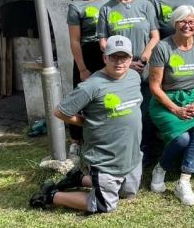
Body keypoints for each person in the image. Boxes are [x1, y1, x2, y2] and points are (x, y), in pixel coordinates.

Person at [29, 35, 143, 213]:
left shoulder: (134, 77)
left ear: (131, 58)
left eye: (124, 57)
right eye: (114, 57)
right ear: (105, 57)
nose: (119, 62)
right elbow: (60, 111)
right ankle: (51, 194)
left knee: (127, 192)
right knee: (105, 205)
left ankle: (79, 179)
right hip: (106, 157)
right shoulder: (92, 86)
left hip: (131, 154)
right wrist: (86, 122)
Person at [98, 0, 160, 162]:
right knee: (124, 111)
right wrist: (125, 62)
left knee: (146, 111)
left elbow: (155, 35)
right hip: (120, 70)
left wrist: (144, 57)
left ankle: (147, 150)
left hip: (145, 67)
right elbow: (103, 40)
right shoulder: (106, 9)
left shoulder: (145, 5)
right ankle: (125, 151)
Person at [148, 5, 194, 206]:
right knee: (181, 139)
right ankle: (161, 167)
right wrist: (175, 109)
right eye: (182, 21)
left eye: (191, 22)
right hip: (166, 100)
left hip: (193, 97)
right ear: (175, 23)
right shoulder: (163, 48)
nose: (187, 25)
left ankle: (184, 181)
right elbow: (154, 86)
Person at [66, 0, 113, 157]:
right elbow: (75, 41)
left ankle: (105, 136)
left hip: (109, 53)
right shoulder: (76, 6)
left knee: (106, 96)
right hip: (87, 54)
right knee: (81, 98)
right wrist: (82, 68)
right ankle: (76, 140)